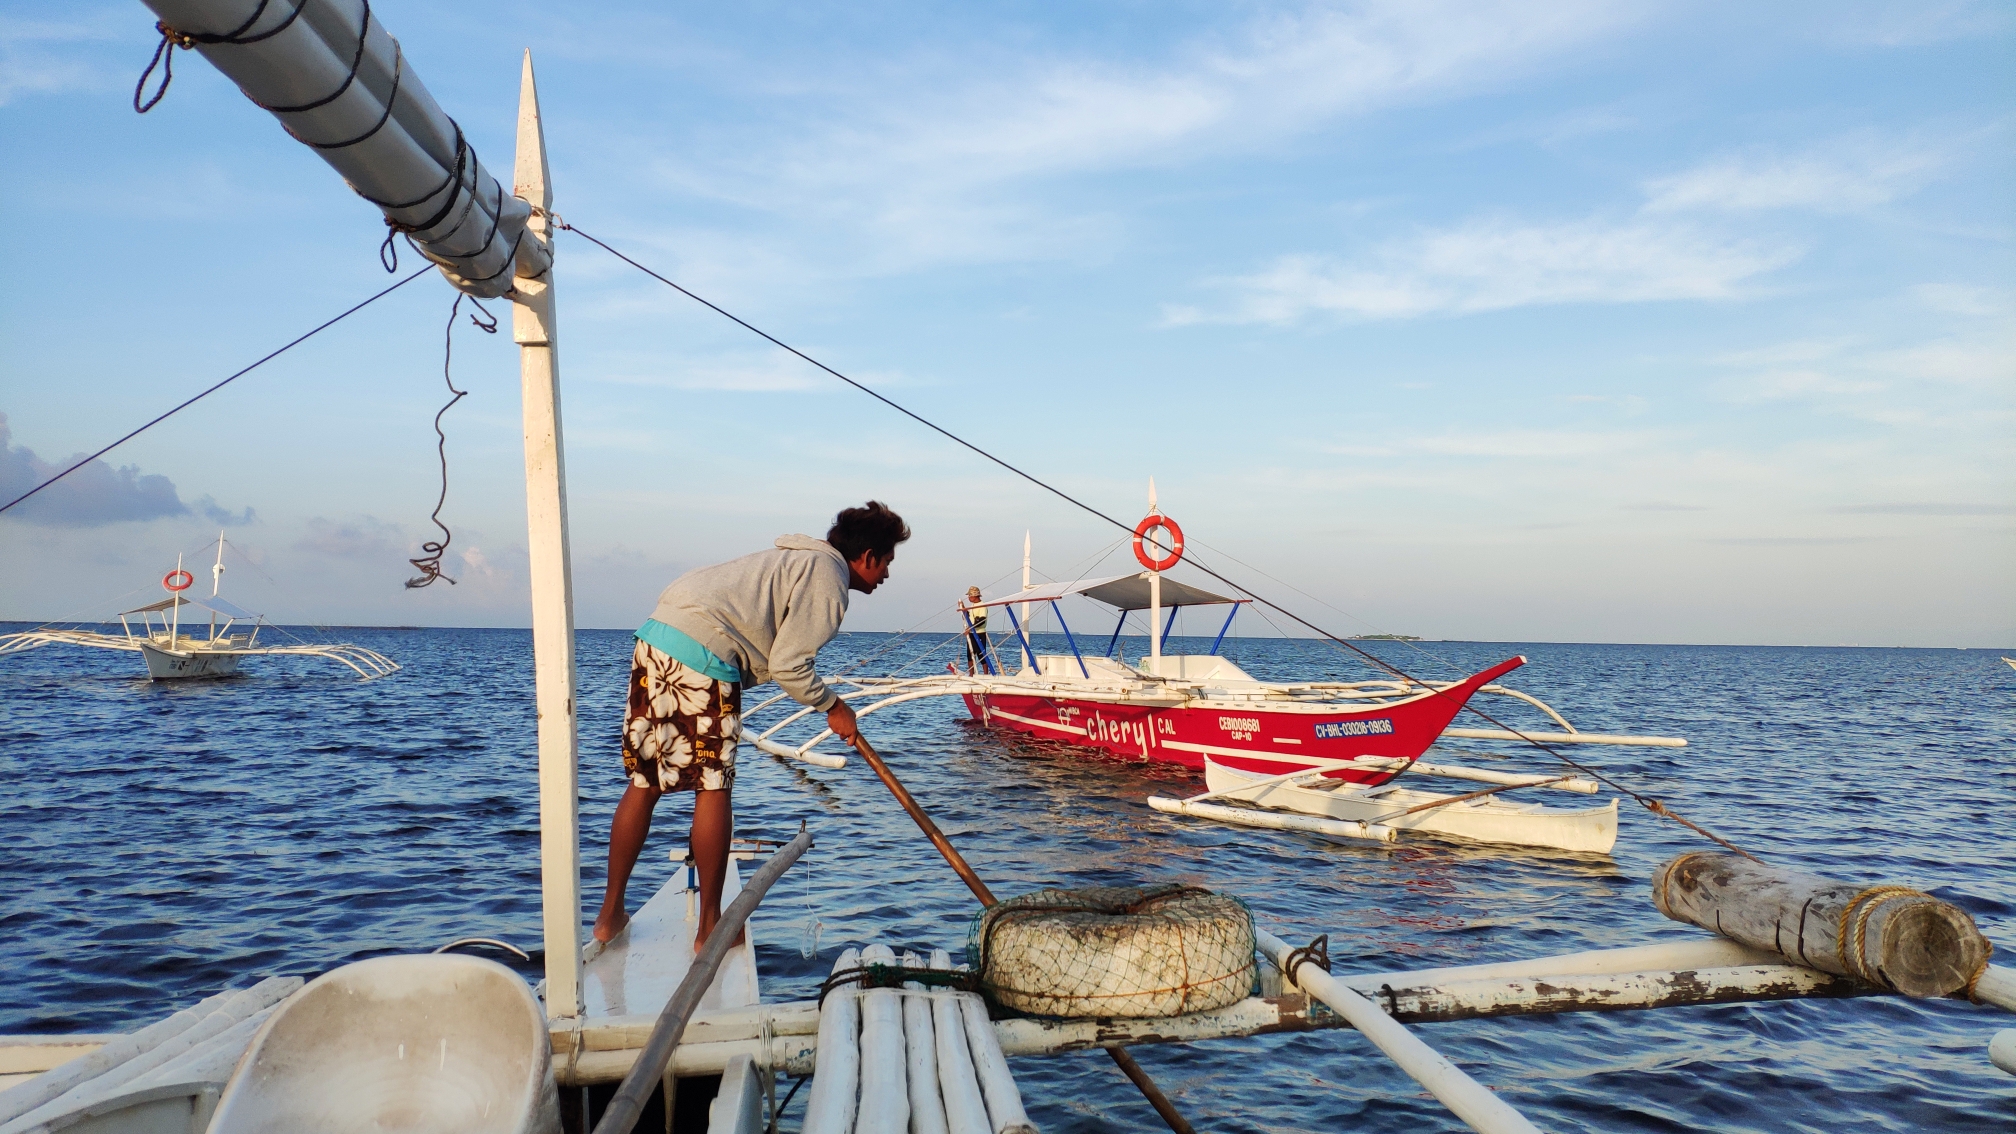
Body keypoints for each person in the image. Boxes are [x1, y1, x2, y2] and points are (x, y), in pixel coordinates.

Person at [593, 501, 910, 950]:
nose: (887, 575)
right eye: (888, 563)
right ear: (868, 556)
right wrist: (833, 706)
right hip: (705, 648)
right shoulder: (829, 578)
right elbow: (789, 665)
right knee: (712, 784)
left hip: (657, 637)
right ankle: (710, 926)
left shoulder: (798, 558)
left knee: (646, 781)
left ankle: (610, 915)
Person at [960, 585, 991, 673]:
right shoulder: (972, 606)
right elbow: (969, 617)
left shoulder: (982, 606)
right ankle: (971, 674)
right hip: (971, 633)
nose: (969, 597)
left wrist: (971, 628)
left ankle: (985, 674)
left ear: (975, 596)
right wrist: (963, 608)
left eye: (970, 595)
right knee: (970, 654)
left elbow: (981, 620)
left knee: (981, 655)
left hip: (980, 632)